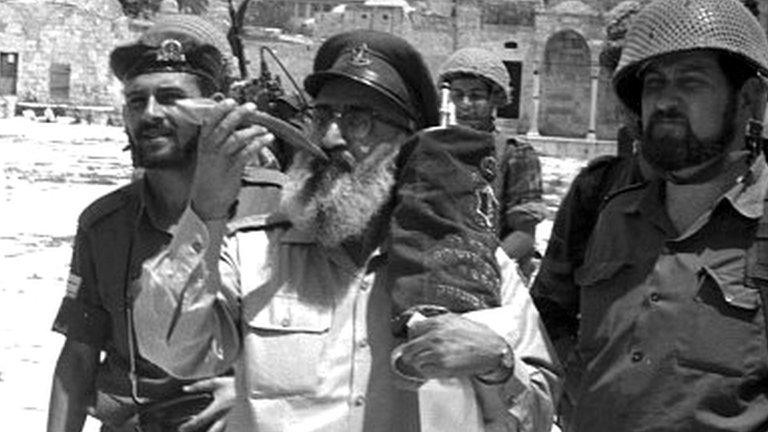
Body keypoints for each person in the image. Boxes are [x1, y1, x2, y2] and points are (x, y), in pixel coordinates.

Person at [132, 29, 561, 431]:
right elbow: (168, 349)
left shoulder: (473, 266)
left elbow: (539, 416)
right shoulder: (253, 252)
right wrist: (205, 209)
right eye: (322, 116)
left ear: (407, 142)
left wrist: (497, 364)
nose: (332, 136)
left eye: (359, 119)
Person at [533, 0, 768, 430]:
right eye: (654, 83)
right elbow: (554, 323)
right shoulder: (612, 212)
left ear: (748, 99)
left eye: (691, 81)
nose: (665, 101)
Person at [45, 15, 258, 432]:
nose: (151, 113)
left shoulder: (269, 209)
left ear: (214, 108)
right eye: (136, 101)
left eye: (171, 97)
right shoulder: (104, 224)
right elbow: (78, 356)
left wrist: (253, 390)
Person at [437, 48, 546, 280]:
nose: (465, 104)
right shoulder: (438, 149)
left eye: (476, 96)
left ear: (495, 98)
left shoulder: (515, 154)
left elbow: (524, 236)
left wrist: (478, 271)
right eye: (458, 95)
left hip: (496, 280)